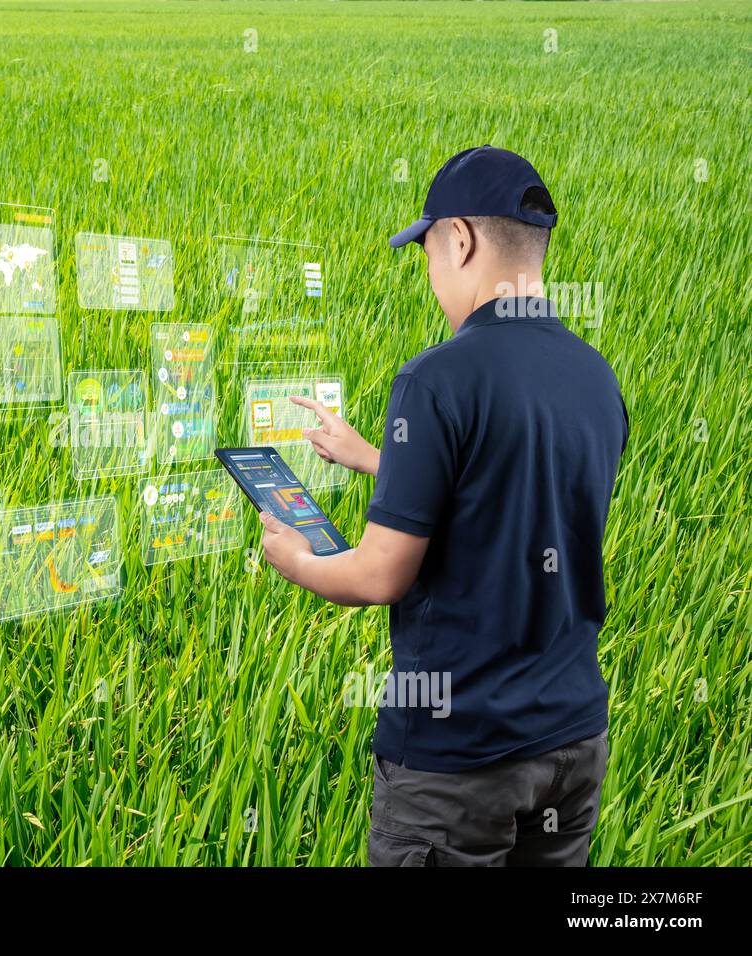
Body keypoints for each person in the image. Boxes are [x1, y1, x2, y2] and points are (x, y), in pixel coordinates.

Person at [259, 146, 629, 866]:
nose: (430, 274)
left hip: (459, 757)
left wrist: (295, 558)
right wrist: (378, 458)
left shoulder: (436, 379)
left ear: (459, 240)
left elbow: (378, 576)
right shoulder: (593, 376)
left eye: (427, 250)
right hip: (573, 742)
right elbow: (516, 492)